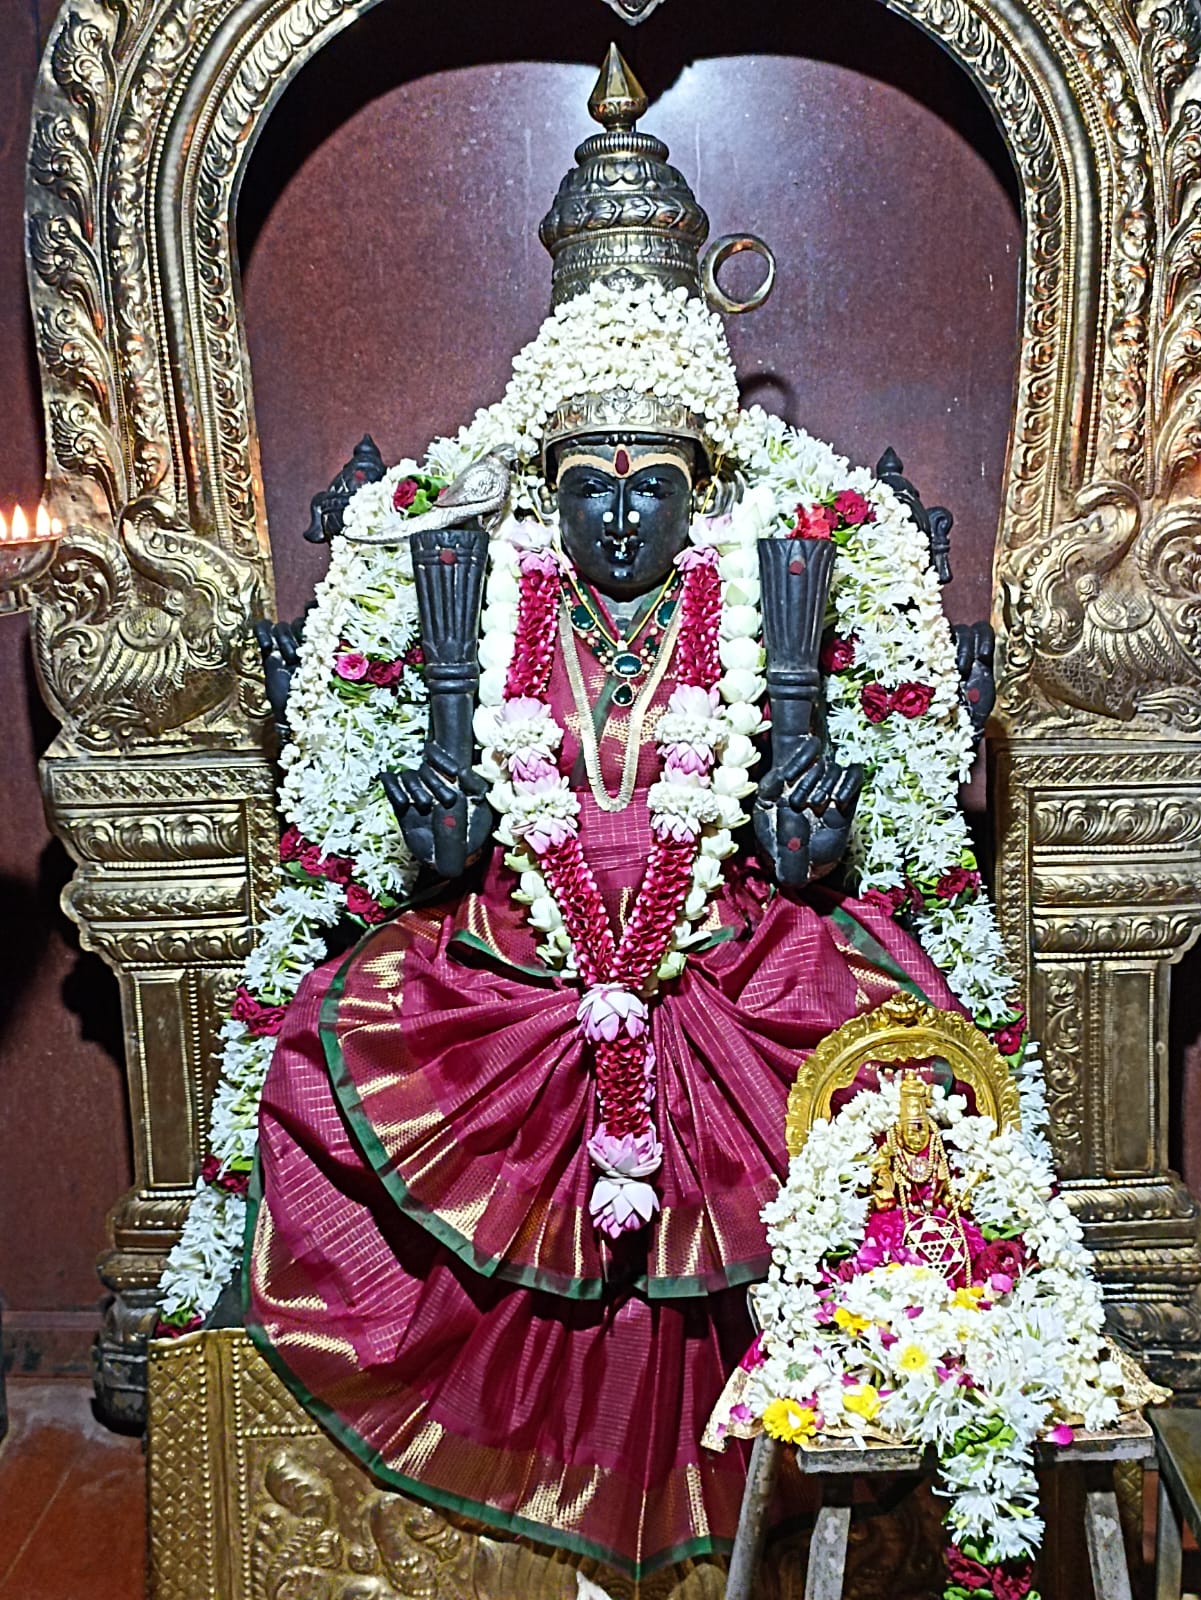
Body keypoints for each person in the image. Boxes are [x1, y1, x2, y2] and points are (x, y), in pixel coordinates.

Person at [244, 49, 990, 1580]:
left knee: (866, 1110)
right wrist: (434, 835)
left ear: (701, 492)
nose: (624, 518)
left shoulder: (762, 595)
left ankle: (781, 1486)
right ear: (547, 494)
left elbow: (803, 821)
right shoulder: (492, 596)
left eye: (654, 485)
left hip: (727, 956)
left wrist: (807, 835)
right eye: (592, 486)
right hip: (515, 961)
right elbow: (445, 832)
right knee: (335, 1067)